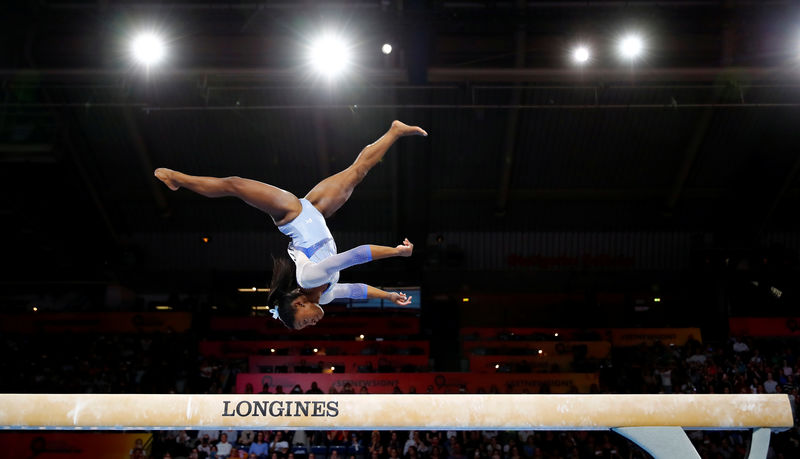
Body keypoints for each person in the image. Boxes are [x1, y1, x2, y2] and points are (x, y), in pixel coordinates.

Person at [155, 120, 427, 329]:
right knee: (357, 172)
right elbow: (357, 290)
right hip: (316, 212)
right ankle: (395, 130)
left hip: (292, 214)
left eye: (304, 321)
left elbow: (355, 256)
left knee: (235, 184)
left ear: (298, 303)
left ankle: (179, 179)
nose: (313, 324)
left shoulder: (309, 279)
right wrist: (389, 296)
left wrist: (396, 252)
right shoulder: (328, 295)